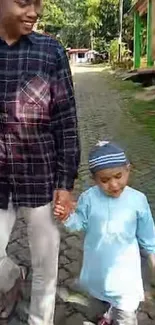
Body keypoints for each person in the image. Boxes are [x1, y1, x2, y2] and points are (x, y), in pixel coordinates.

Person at [0, 0, 80, 324]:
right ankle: (12, 277)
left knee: (46, 267)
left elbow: (67, 121)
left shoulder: (50, 51)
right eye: (23, 2)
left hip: (41, 179)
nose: (34, 11)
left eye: (38, 3)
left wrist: (65, 183)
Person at [54, 141, 155, 325]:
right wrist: (67, 217)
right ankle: (108, 313)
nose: (114, 185)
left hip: (125, 273)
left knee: (126, 314)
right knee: (101, 299)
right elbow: (79, 224)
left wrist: (152, 256)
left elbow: (148, 234)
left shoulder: (137, 200)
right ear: (94, 178)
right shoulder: (89, 198)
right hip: (98, 269)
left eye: (118, 176)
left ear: (128, 169)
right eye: (105, 180)